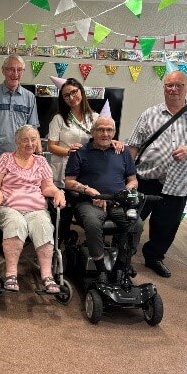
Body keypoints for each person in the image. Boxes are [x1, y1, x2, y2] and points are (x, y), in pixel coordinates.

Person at [127, 70, 187, 278]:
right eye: (169, 85)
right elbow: (133, 146)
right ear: (164, 88)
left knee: (166, 225)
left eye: (178, 85)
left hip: (177, 182)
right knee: (131, 221)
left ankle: (154, 257)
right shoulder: (150, 113)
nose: (173, 89)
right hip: (146, 179)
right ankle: (124, 257)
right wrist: (128, 176)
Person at [0, 125, 65, 293]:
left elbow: (47, 188)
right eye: (25, 140)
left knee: (44, 225)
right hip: (9, 206)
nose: (30, 143)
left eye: (33, 139)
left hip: (36, 208)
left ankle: (47, 275)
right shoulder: (6, 159)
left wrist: (58, 192)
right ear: (17, 142)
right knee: (16, 224)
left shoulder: (41, 161)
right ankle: (11, 274)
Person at [64, 116, 140, 282]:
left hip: (118, 203)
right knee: (92, 224)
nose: (105, 133)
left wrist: (125, 193)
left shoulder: (123, 152)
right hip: (90, 202)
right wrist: (88, 190)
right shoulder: (80, 152)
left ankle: (121, 265)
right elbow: (68, 182)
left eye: (109, 130)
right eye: (100, 129)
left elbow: (133, 180)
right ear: (93, 132)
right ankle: (101, 269)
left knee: (136, 224)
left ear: (114, 132)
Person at [0, 55, 39, 219]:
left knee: (14, 199)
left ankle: (10, 235)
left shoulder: (29, 97)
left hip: (18, 160)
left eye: (19, 70)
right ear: (3, 71)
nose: (15, 73)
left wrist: (36, 156)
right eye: (11, 69)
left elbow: (33, 131)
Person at [48, 78, 123, 188]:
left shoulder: (95, 118)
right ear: (63, 99)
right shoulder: (58, 119)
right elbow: (51, 146)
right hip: (64, 166)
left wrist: (115, 142)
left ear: (81, 91)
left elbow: (102, 138)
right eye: (66, 95)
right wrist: (69, 152)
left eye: (74, 92)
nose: (71, 97)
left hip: (88, 167)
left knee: (86, 195)